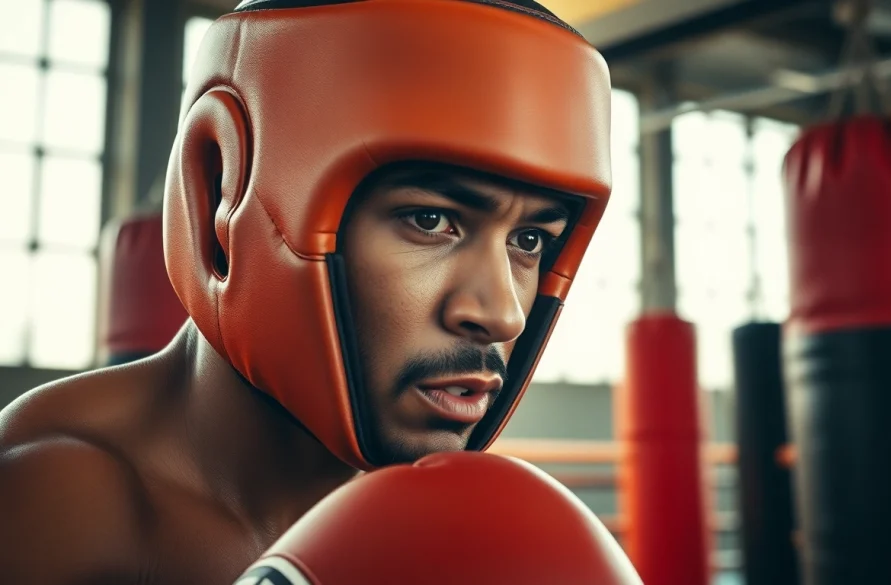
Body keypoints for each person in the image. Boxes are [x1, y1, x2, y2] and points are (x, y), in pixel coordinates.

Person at [0, 0, 613, 583]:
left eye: (529, 240)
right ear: (222, 195)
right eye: (431, 221)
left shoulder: (449, 525)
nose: (502, 313)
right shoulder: (55, 507)